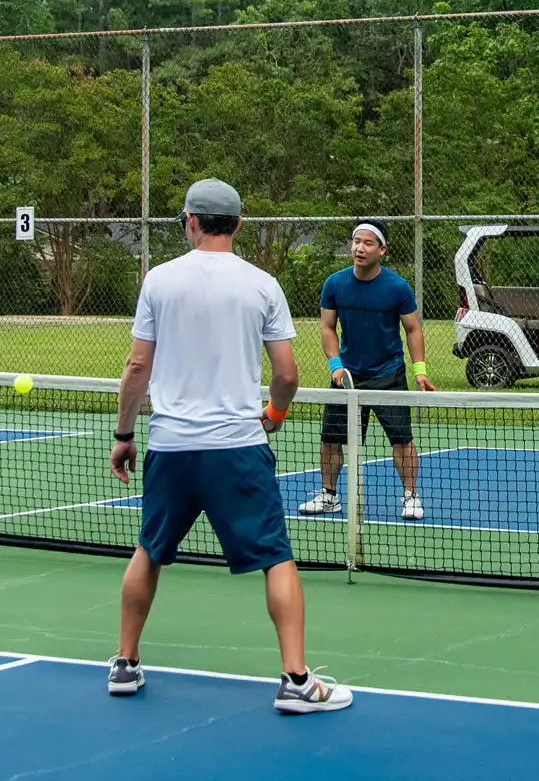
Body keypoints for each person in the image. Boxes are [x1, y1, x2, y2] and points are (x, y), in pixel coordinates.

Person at [106, 178, 351, 714]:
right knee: (276, 558)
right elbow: (286, 373)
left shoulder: (158, 281)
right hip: (238, 447)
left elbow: (136, 367)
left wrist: (125, 435)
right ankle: (296, 681)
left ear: (190, 222)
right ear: (238, 226)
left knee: (149, 551)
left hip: (169, 447)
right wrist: (275, 414)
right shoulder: (262, 284)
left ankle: (124, 664)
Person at [298, 221, 435, 521]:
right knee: (330, 439)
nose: (359, 248)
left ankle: (410, 497)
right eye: (356, 241)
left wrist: (420, 370)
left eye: (368, 243)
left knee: (401, 440)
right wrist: (336, 365)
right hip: (347, 376)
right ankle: (329, 496)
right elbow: (327, 328)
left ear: (382, 250)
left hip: (388, 374)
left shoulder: (397, 287)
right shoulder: (335, 284)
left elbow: (413, 329)